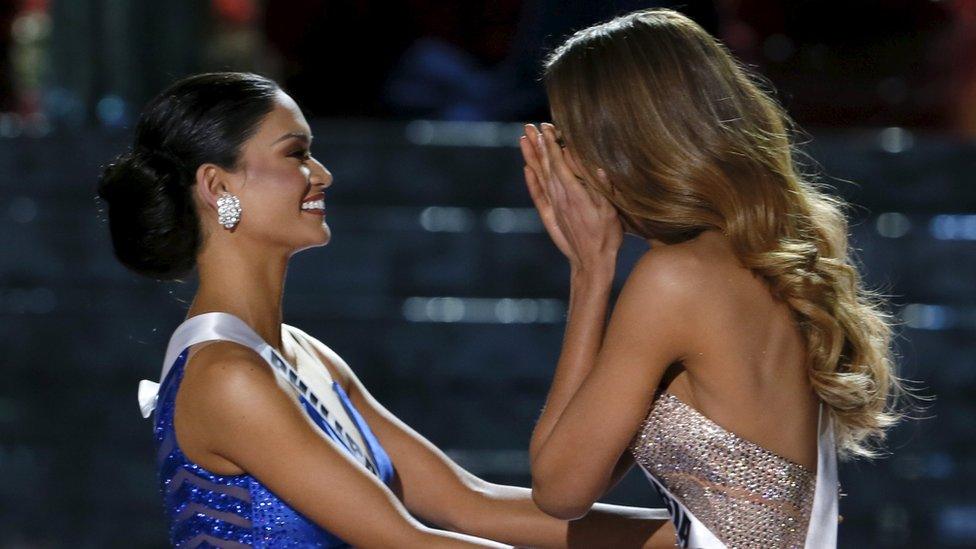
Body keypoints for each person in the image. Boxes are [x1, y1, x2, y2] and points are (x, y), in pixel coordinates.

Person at [96, 72, 674, 548]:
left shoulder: (302, 354)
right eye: (296, 153)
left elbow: (469, 503)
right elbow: (408, 542)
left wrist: (687, 536)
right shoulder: (225, 377)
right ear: (218, 187)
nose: (322, 174)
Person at [518, 8, 904, 549]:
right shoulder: (760, 262)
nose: (557, 159)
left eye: (566, 136)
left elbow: (559, 489)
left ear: (618, 148)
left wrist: (590, 273)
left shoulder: (678, 281)